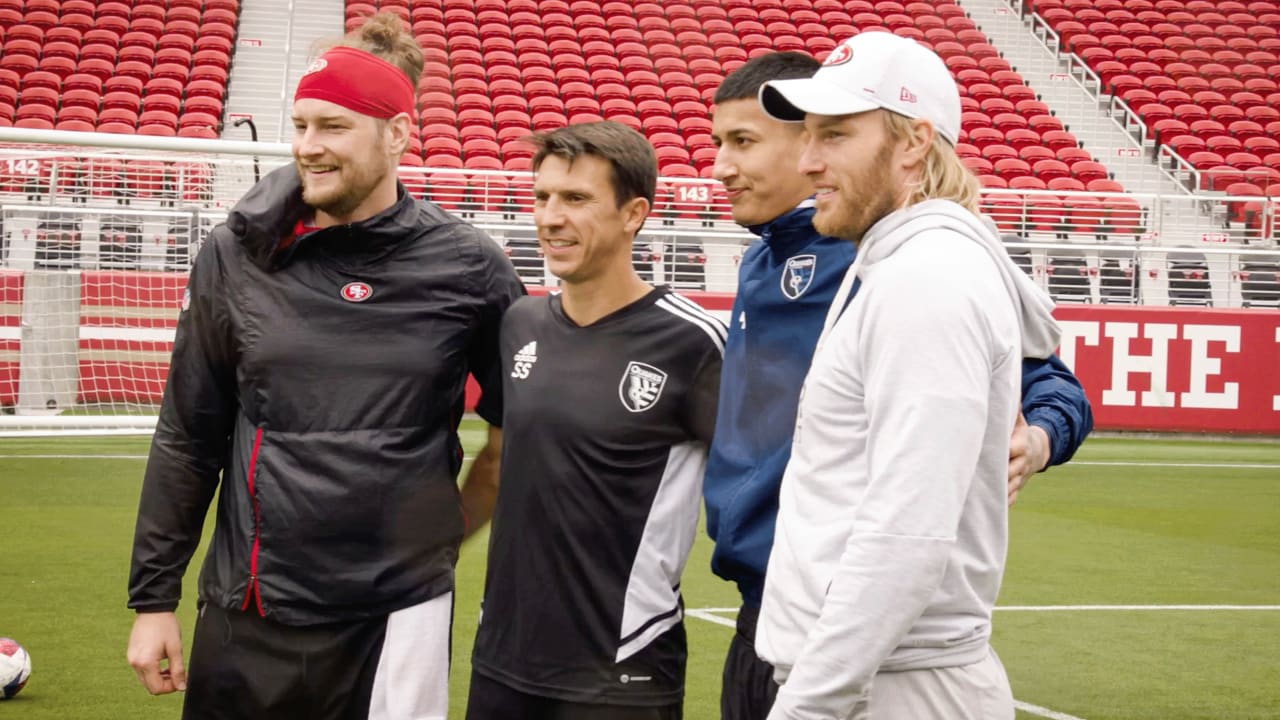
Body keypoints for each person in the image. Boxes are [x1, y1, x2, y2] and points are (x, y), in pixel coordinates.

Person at [125, 15, 524, 720]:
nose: (309, 147)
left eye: (333, 127)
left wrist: (438, 537)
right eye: (301, 124)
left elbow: (516, 432)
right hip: (246, 606)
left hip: (394, 614)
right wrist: (155, 598)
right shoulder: (235, 254)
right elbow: (188, 434)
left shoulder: (469, 265)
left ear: (396, 133)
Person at [704, 50, 1093, 719]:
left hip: (875, 659)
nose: (808, 161)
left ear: (914, 143)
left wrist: (1039, 434)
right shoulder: (856, 258)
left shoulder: (925, 275)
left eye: (833, 135)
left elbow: (905, 538)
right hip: (793, 627)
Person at [466, 122, 726, 720]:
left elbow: (771, 480)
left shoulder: (695, 343)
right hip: (502, 658)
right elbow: (500, 460)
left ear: (633, 213)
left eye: (576, 199)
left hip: (624, 669)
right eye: (542, 197)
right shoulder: (520, 324)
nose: (550, 217)